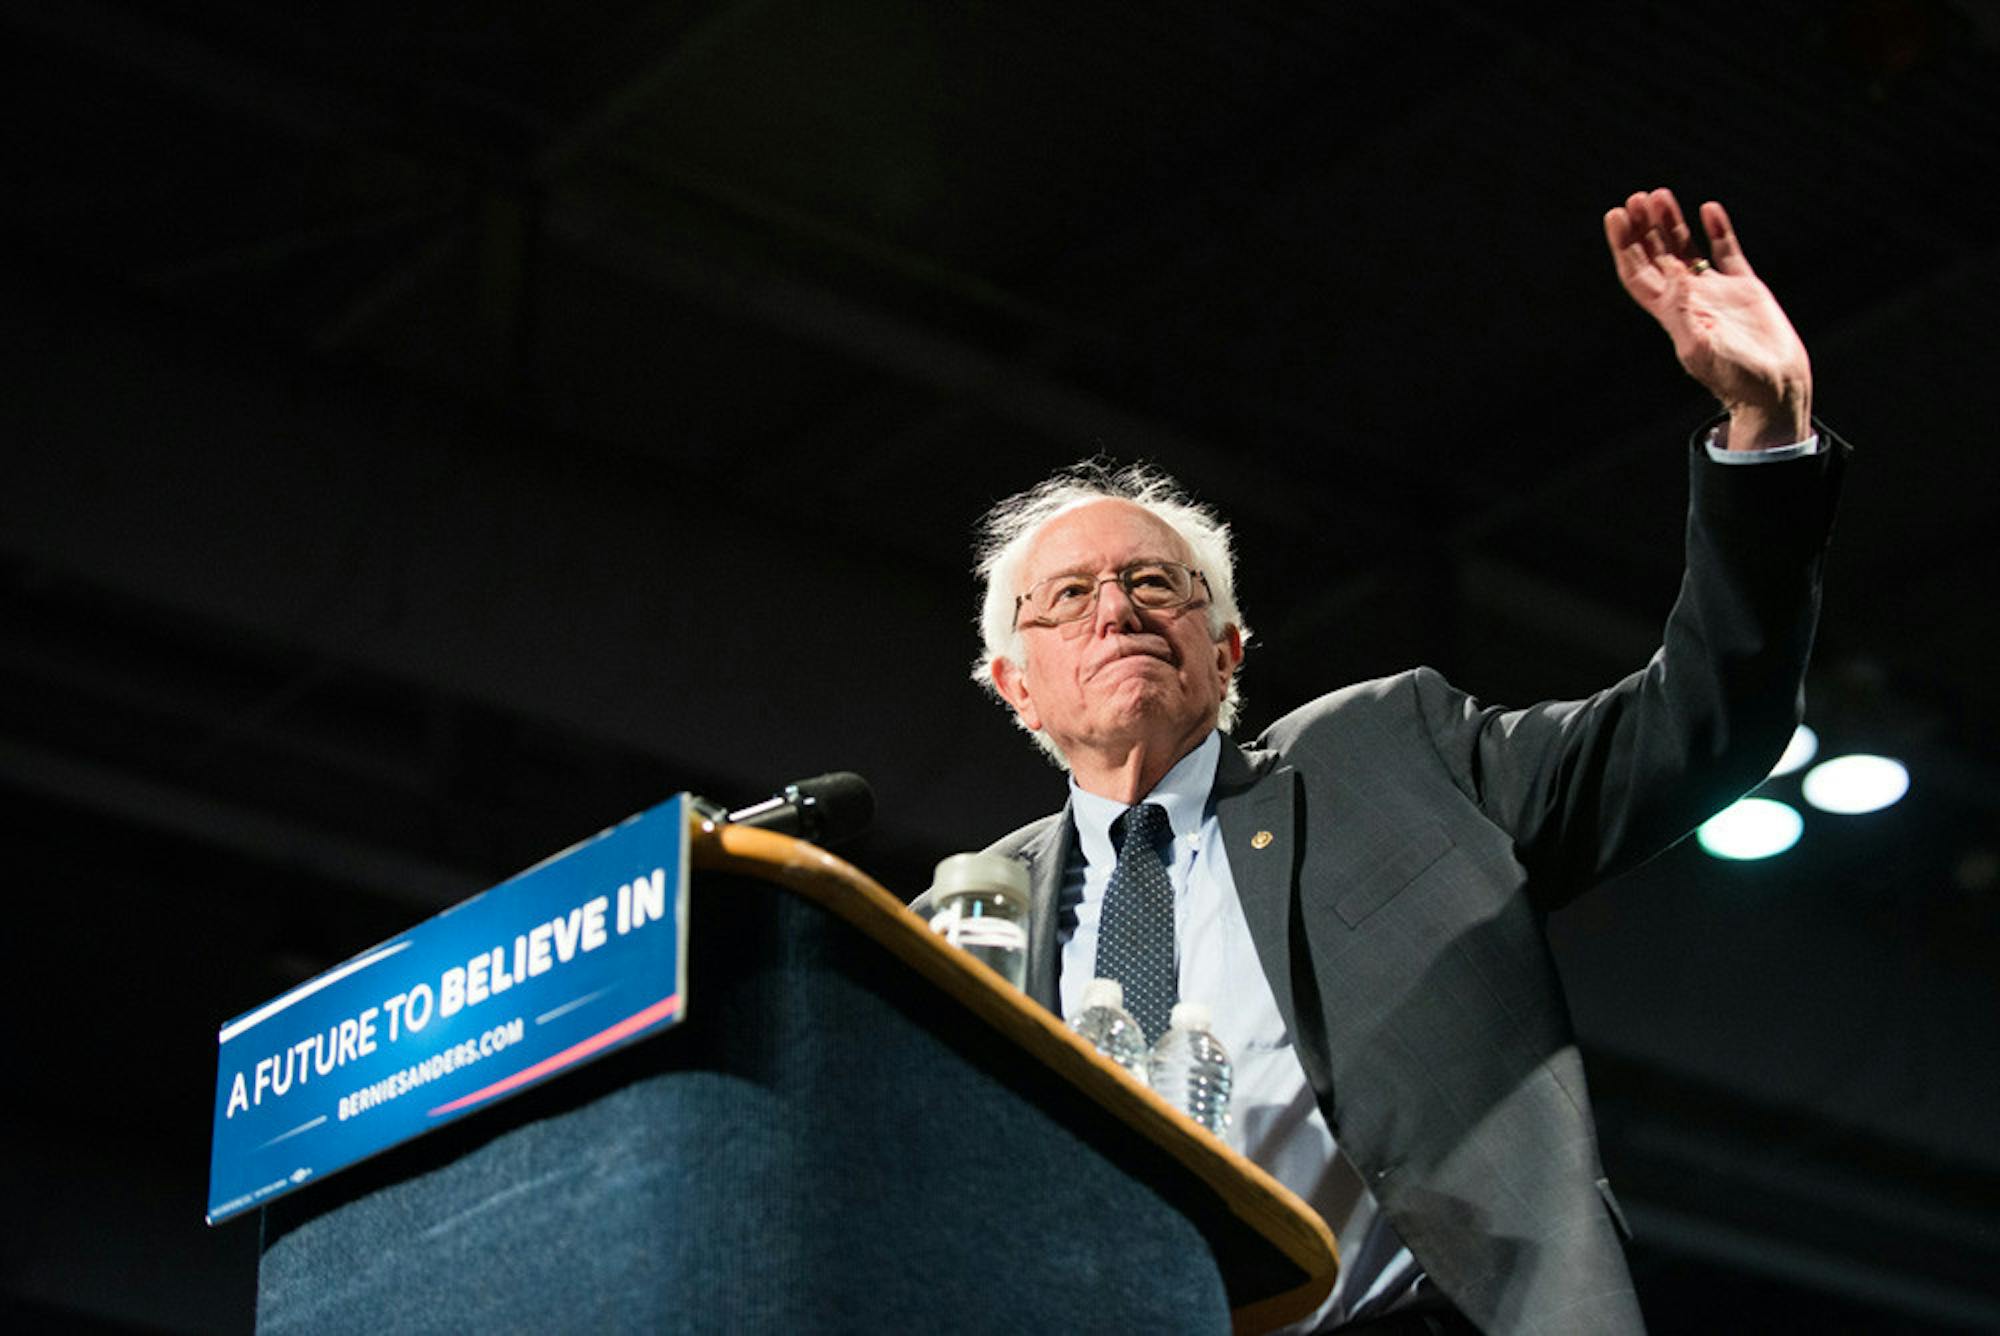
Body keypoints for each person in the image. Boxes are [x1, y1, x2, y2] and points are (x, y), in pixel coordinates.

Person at [959, 189, 1845, 1334]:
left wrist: (1766, 433)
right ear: (1011, 684)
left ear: (1224, 651)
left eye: (1153, 583)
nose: (1116, 610)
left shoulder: (1385, 755)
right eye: (1067, 598)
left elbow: (1699, 725)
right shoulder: (976, 908)